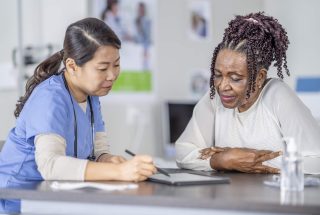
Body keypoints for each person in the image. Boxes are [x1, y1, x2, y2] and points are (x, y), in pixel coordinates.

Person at [0, 17, 156, 213]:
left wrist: (108, 160)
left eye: (116, 65)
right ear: (72, 66)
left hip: (56, 197)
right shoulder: (50, 98)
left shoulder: (92, 95)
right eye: (102, 68)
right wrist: (119, 171)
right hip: (19, 201)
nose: (112, 75)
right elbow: (51, 165)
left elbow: (99, 149)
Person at [176, 12, 320, 174]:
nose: (223, 86)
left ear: (259, 78)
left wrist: (243, 159)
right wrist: (222, 159)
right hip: (230, 196)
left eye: (235, 78)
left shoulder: (278, 96)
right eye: (217, 75)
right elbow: (183, 152)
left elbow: (315, 160)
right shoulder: (215, 98)